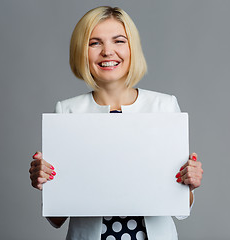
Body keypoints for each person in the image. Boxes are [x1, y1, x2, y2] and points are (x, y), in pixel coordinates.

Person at [29, 6, 203, 240]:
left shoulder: (164, 106)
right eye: (94, 43)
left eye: (119, 41)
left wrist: (188, 184)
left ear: (132, 48)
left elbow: (181, 208)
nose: (108, 51)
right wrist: (47, 184)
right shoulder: (67, 111)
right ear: (82, 51)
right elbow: (57, 218)